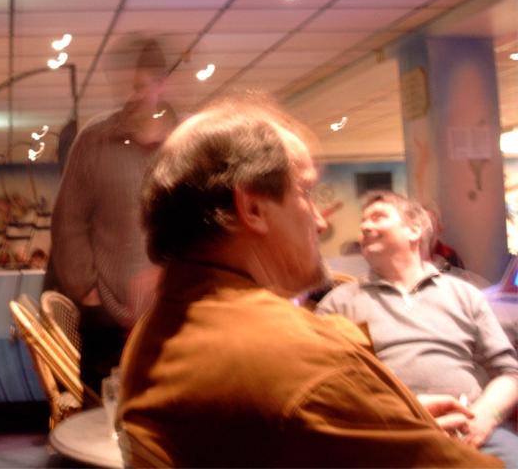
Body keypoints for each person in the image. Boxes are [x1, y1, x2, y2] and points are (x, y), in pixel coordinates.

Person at [118, 94, 499, 467]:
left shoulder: (153, 331)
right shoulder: (304, 363)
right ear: (252, 208)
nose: (319, 222)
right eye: (305, 191)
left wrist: (386, 421)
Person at [317, 191, 518, 464]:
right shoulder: (339, 302)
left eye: (378, 217)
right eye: (363, 221)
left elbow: (509, 374)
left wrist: (485, 416)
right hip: (387, 432)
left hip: (470, 426)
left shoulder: (464, 294)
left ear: (414, 230)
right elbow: (323, 384)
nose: (364, 226)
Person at [51, 36, 177, 394]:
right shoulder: (94, 139)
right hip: (106, 318)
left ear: (161, 84)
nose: (131, 95)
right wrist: (87, 291)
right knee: (100, 412)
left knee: (171, 412)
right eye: (124, 86)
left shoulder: (185, 141)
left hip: (173, 313)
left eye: (140, 86)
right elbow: (68, 220)